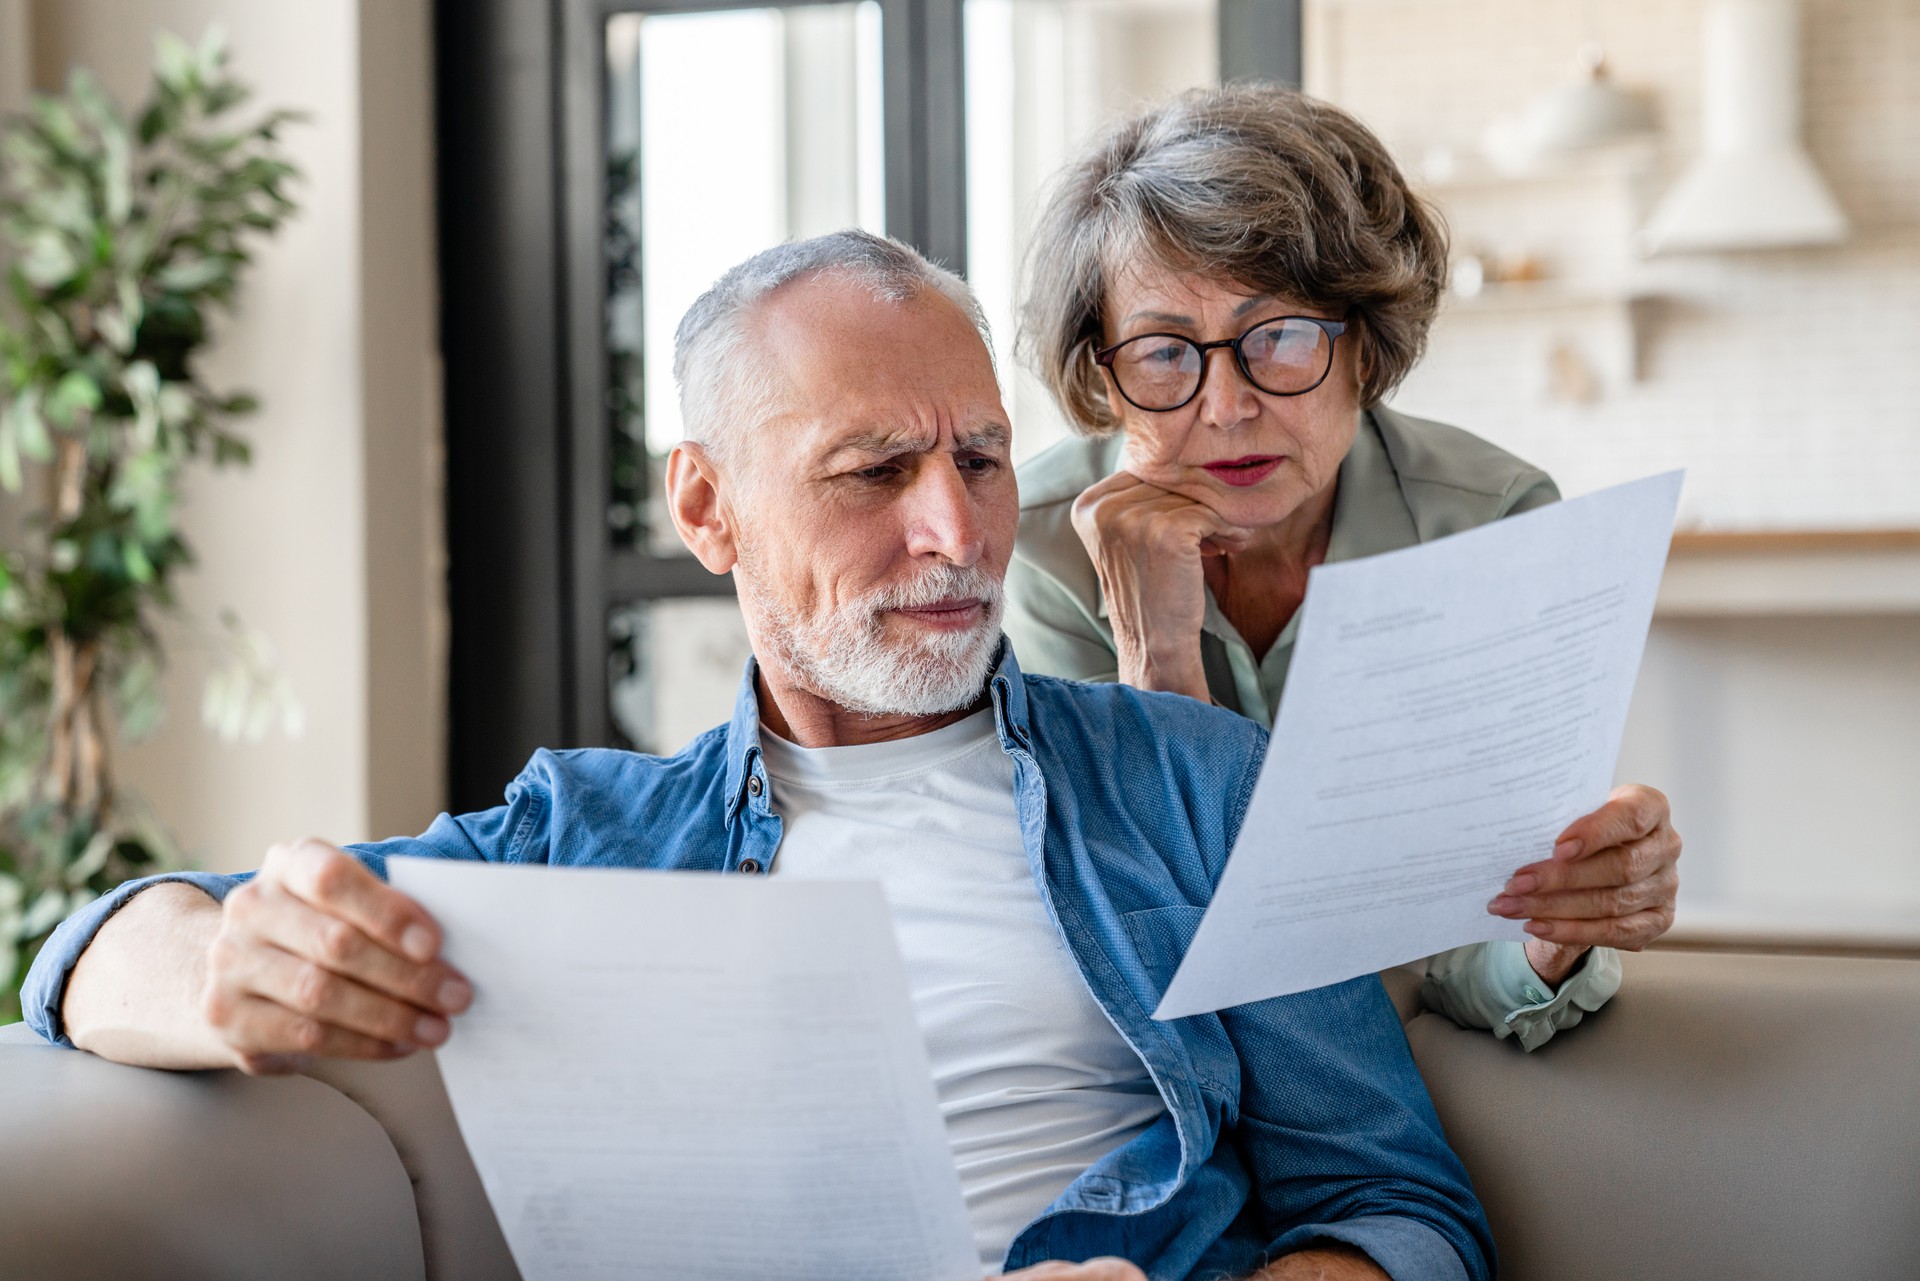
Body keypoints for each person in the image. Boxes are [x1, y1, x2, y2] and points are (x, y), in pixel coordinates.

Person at [26, 232, 1492, 1281]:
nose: (959, 533)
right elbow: (90, 948)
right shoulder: (587, 838)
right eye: (875, 472)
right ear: (708, 508)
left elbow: (1397, 1205)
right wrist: (224, 973)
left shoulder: (1191, 779)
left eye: (981, 457)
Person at [1006, 86, 1681, 1051]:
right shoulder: (1040, 551)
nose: (1226, 406)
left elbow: (1464, 945)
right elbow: (1130, 947)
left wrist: (1555, 932)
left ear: (1364, 345)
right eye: (1163, 352)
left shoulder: (1488, 527)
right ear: (1104, 379)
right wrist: (1156, 662)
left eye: (1277, 336)